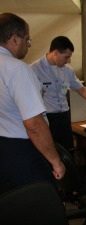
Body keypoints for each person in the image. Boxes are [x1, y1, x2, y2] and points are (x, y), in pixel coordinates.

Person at [0, 13, 65, 193]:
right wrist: (56, 162)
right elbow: (34, 124)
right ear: (14, 39)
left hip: (3, 150)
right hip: (22, 153)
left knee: (12, 206)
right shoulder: (17, 69)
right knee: (42, 204)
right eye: (27, 40)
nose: (28, 45)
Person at [30, 36, 86, 149]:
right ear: (55, 53)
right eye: (66, 57)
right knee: (50, 152)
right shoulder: (34, 69)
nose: (69, 61)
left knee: (68, 150)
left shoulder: (67, 70)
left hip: (64, 116)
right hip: (46, 119)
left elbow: (82, 90)